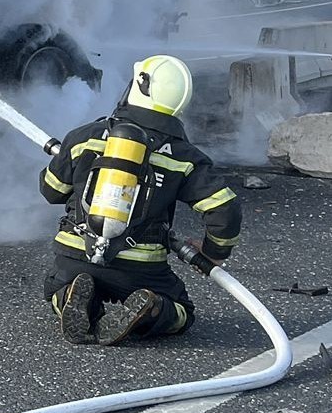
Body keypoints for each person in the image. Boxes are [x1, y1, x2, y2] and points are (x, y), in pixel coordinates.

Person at [39, 54, 241, 345]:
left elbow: (51, 191)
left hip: (75, 257)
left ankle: (71, 296)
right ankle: (152, 307)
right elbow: (224, 209)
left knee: (58, 286)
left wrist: (77, 164)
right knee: (183, 311)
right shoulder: (185, 157)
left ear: (139, 86)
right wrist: (213, 252)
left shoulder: (86, 136)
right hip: (140, 268)